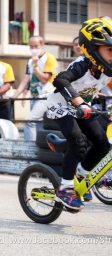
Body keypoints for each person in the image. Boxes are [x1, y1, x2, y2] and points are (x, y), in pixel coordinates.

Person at [46, 18, 112, 210]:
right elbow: (60, 80)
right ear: (93, 49)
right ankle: (65, 188)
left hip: (84, 108)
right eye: (110, 50)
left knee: (102, 143)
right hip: (62, 106)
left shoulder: (106, 70)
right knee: (78, 141)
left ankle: (82, 176)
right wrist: (79, 102)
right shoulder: (82, 65)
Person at [14, 36, 57, 141]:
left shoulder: (49, 58)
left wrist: (35, 66)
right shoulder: (30, 61)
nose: (33, 49)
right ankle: (39, 147)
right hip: (34, 96)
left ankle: (29, 147)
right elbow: (25, 80)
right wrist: (15, 95)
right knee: (38, 124)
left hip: (46, 95)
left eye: (36, 46)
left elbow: (44, 79)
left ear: (42, 45)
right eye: (31, 46)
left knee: (30, 121)